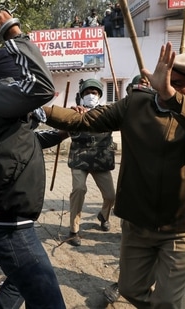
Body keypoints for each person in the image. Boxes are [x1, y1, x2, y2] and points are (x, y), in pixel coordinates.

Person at [42, 43, 185, 308]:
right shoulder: (136, 103)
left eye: (177, 84)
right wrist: (39, 111)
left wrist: (172, 98)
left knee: (167, 301)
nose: (165, 87)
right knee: (130, 289)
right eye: (164, 80)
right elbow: (85, 120)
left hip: (182, 226)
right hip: (137, 222)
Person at [0, 10, 67, 309]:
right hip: (4, 226)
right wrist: (11, 31)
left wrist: (61, 133)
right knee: (49, 303)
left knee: (20, 284)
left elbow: (24, 144)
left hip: (1, 221)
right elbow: (42, 87)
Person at [66, 78, 116, 247]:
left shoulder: (108, 112)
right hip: (79, 157)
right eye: (87, 93)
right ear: (81, 95)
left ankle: (103, 215)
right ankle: (74, 230)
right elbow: (65, 126)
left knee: (110, 196)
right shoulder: (75, 111)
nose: (90, 96)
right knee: (79, 189)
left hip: (100, 159)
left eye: (94, 93)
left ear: (99, 95)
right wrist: (72, 115)